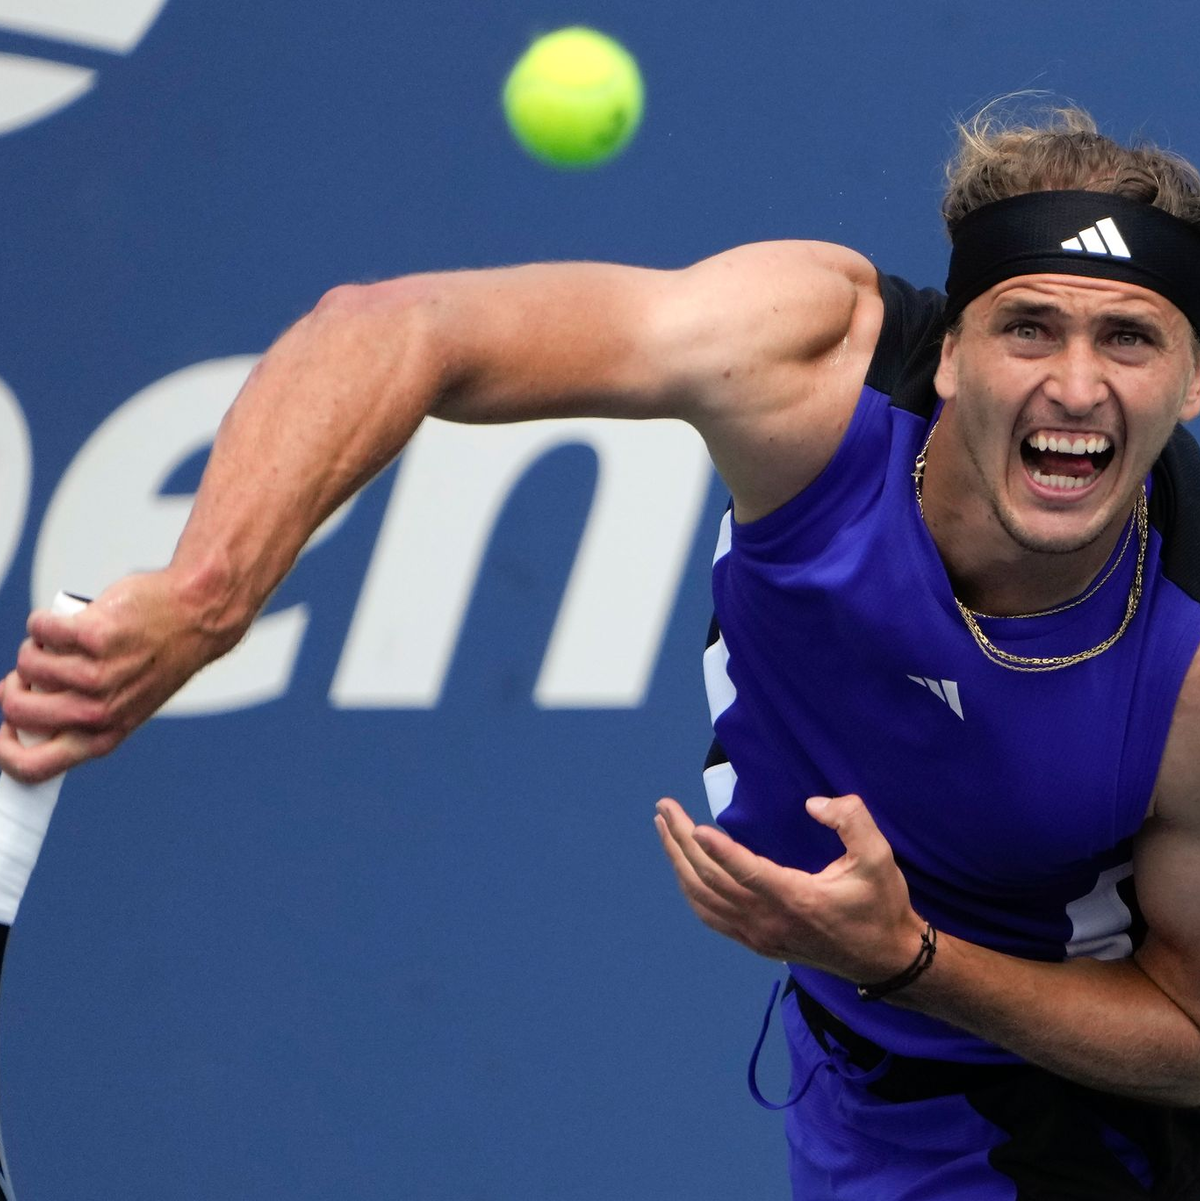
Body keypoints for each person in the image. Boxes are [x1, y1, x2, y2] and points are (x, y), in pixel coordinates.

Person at [5, 101, 1200, 1197]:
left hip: (1088, 1099)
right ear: (949, 358)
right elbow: (400, 325)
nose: (1076, 385)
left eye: (1131, 341)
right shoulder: (818, 369)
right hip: (889, 1094)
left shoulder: (1189, 653)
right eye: (1029, 327)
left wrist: (910, 959)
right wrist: (207, 594)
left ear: (1190, 382)